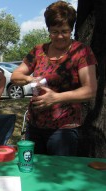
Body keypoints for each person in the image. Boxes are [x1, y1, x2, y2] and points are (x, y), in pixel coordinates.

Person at [11, 1, 97, 156]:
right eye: (54, 31)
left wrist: (56, 98)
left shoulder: (81, 52)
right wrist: (32, 79)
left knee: (58, 176)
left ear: (71, 29)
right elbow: (15, 76)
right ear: (48, 30)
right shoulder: (38, 50)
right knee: (32, 172)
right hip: (34, 126)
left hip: (64, 131)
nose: (59, 36)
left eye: (64, 31)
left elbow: (90, 90)